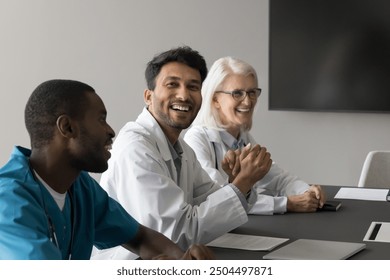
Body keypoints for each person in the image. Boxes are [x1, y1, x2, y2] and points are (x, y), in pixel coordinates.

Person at [0, 79, 214, 260]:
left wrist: (183, 264)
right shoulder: (9, 202)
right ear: (67, 127)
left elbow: (139, 237)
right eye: (101, 119)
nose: (111, 131)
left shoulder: (81, 187)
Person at [92, 46, 272, 260]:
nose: (184, 95)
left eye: (193, 87)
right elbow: (173, 235)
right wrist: (241, 185)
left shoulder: (181, 148)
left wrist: (238, 183)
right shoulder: (135, 148)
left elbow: (205, 201)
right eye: (172, 84)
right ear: (148, 96)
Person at [184, 56, 326, 215]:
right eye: (237, 93)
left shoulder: (242, 138)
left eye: (252, 92)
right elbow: (218, 196)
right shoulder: (196, 139)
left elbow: (277, 177)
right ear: (215, 99)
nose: (247, 102)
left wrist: (307, 191)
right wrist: (286, 204)